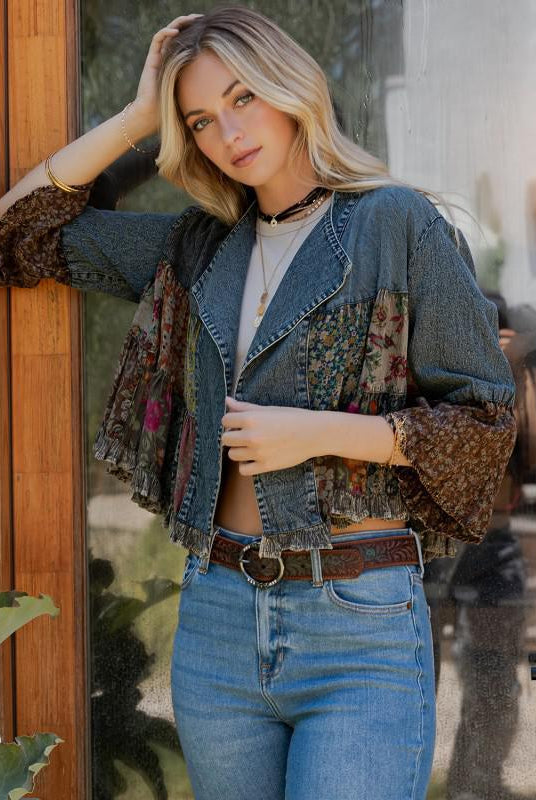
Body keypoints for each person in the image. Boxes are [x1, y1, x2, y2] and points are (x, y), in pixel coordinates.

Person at [0, 7, 517, 800]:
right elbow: (21, 233)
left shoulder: (395, 223)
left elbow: (485, 421)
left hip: (358, 623)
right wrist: (141, 116)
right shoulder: (199, 246)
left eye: (243, 98)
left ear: (290, 88)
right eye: (201, 119)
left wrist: (321, 433)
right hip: (218, 619)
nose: (227, 132)